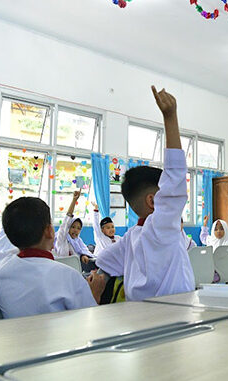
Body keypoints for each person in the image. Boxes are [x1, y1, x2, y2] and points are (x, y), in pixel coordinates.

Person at [95, 86, 195, 301]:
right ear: (153, 201)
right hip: (174, 314)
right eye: (165, 195)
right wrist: (170, 117)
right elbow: (175, 176)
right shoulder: (160, 226)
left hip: (138, 313)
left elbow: (103, 260)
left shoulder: (132, 236)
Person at [0, 197, 106, 318]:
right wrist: (95, 293)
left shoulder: (0, 274)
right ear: (49, 231)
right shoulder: (68, 276)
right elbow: (88, 319)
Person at [54, 191, 96, 272]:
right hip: (61, 272)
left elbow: (85, 251)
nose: (76, 230)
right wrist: (74, 200)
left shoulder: (78, 242)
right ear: (68, 227)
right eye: (73, 227)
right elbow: (67, 220)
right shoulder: (62, 238)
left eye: (79, 228)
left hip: (76, 273)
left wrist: (83, 255)